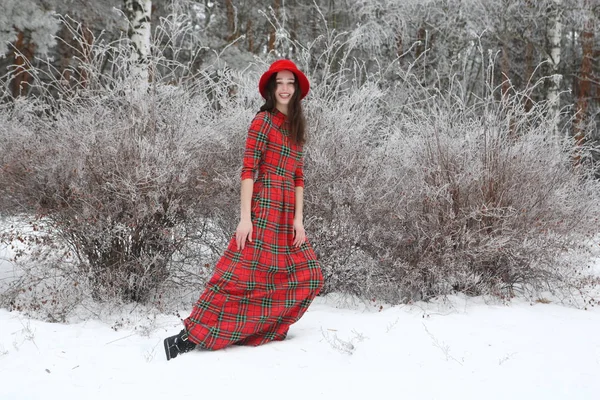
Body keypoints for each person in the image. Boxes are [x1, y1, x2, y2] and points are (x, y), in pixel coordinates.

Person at [164, 59, 324, 360]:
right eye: (280, 83)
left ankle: (255, 328)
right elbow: (248, 170)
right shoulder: (262, 122)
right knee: (239, 276)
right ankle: (186, 338)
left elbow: (298, 177)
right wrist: (245, 218)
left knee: (309, 275)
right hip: (264, 208)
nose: (285, 88)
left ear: (298, 88)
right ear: (271, 88)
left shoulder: (296, 128)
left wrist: (298, 220)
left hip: (286, 212)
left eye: (291, 83)